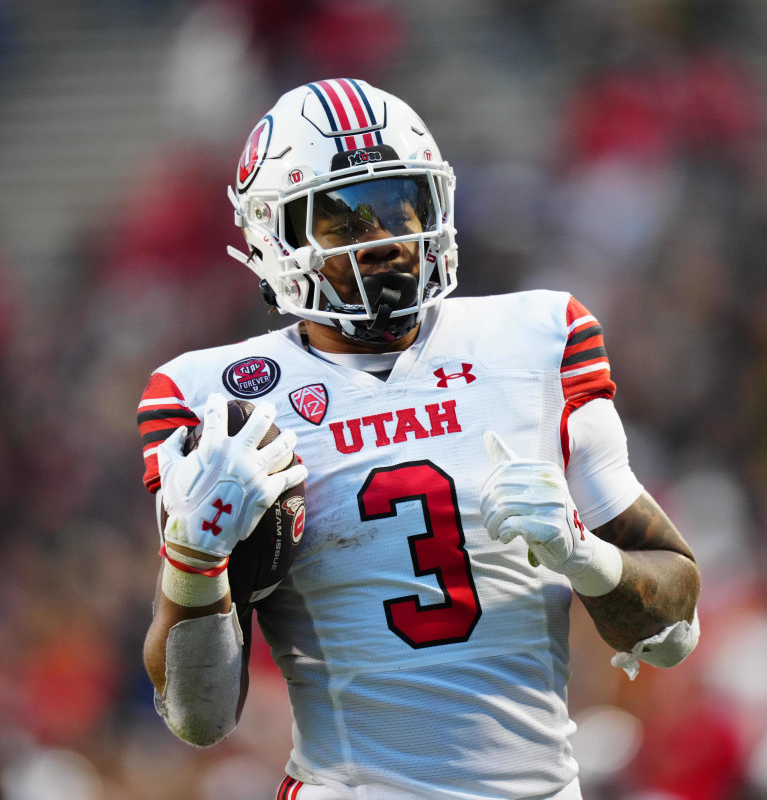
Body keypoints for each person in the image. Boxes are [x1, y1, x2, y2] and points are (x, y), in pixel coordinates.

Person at [137, 79, 701, 800]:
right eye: (345, 220)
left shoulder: (538, 338)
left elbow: (673, 629)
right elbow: (200, 716)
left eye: (400, 203)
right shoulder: (216, 399)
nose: (387, 239)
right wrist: (193, 558)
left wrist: (583, 555)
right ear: (273, 235)